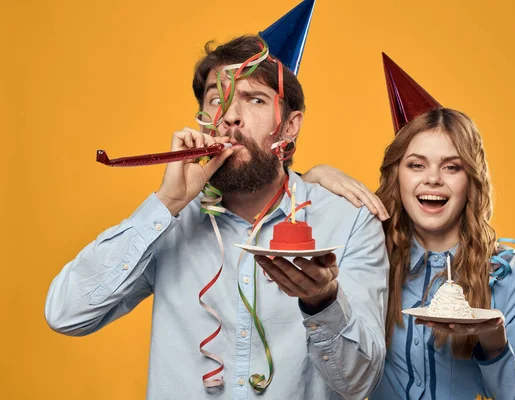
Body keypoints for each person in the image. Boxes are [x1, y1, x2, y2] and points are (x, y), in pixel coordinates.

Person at [44, 34, 389, 400]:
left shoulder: (349, 221)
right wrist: (166, 204)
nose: (229, 116)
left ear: (290, 126)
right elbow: (67, 314)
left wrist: (323, 301)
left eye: (254, 99)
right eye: (215, 99)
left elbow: (360, 383)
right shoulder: (170, 224)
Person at [302, 55, 515, 399]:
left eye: (451, 167)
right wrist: (313, 176)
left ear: (471, 181)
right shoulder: (366, 255)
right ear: (397, 175)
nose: (432, 179)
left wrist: (494, 344)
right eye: (416, 165)